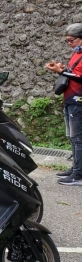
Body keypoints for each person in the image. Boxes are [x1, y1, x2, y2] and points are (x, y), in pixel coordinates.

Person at [46, 23, 82, 186]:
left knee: (78, 138)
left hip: (78, 100)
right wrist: (61, 68)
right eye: (66, 41)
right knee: (71, 136)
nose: (69, 43)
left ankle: (79, 174)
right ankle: (75, 168)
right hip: (69, 99)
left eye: (71, 40)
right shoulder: (77, 54)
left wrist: (61, 72)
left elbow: (80, 77)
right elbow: (73, 72)